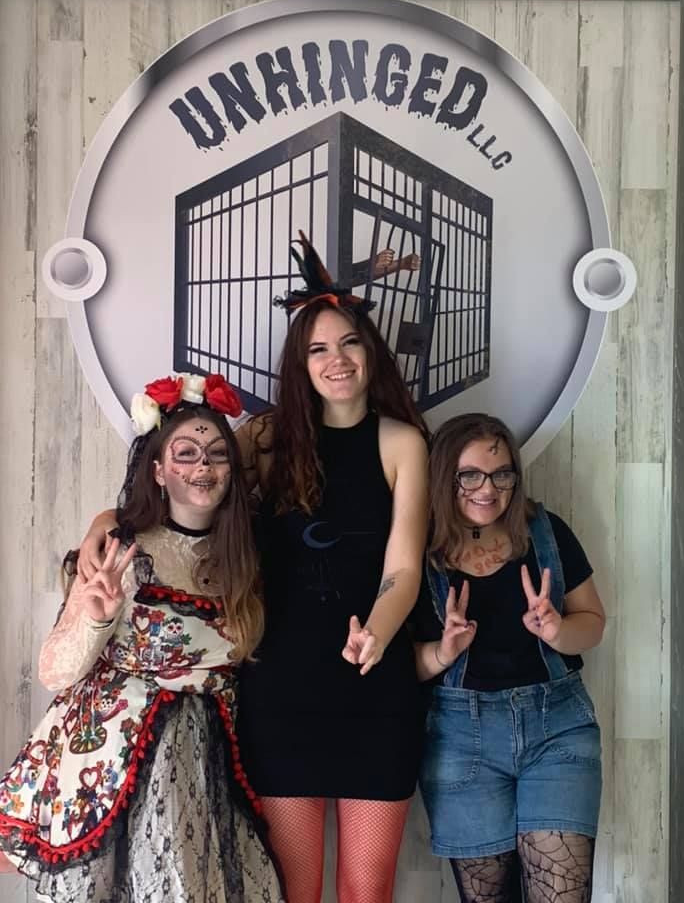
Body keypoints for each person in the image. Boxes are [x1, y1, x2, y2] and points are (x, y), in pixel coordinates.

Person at [77, 235, 429, 903]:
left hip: (376, 690)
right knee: (291, 887)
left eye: (350, 344)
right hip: (281, 691)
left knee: (367, 888)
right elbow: (186, 483)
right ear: (299, 362)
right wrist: (108, 521)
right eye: (318, 349)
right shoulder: (263, 441)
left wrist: (378, 630)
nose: (337, 361)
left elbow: (403, 565)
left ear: (371, 352)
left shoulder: (401, 442)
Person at [0, 373, 284, 903]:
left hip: (201, 761)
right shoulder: (119, 551)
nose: (203, 466)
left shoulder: (248, 561)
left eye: (218, 454)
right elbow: (54, 671)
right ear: (158, 470)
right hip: (108, 756)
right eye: (187, 452)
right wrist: (96, 616)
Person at [413, 413, 605, 903]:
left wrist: (559, 630)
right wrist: (443, 650)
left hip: (556, 728)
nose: (488, 489)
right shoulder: (419, 551)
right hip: (461, 741)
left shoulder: (545, 533)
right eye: (470, 475)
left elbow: (593, 621)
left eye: (501, 474)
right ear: (444, 476)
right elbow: (404, 665)